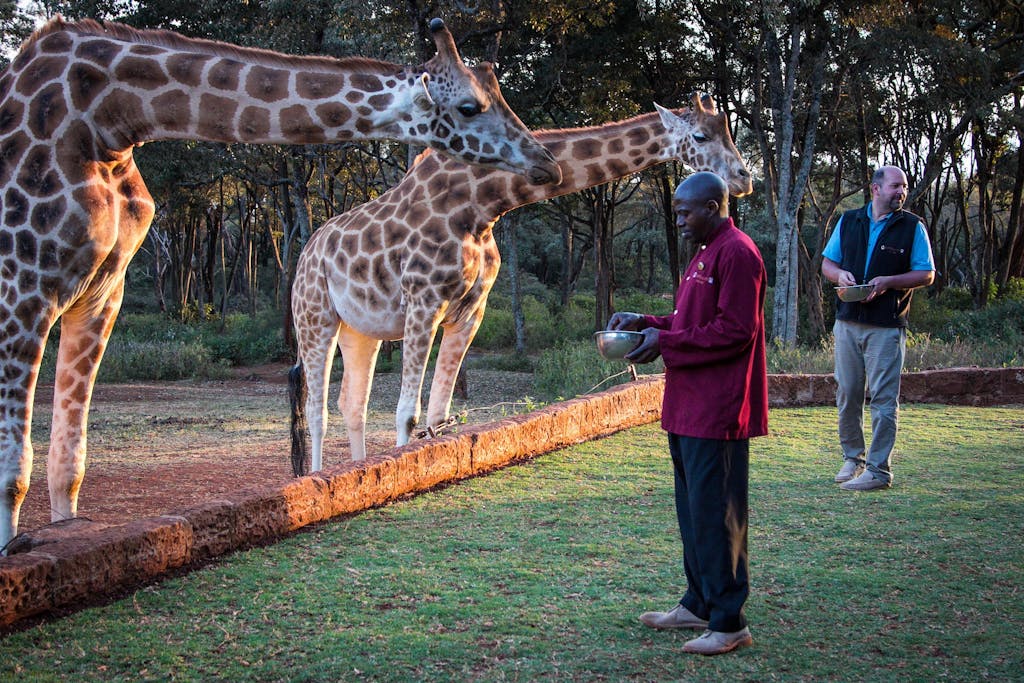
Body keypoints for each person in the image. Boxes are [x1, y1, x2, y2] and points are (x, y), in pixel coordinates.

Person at [608, 171, 767, 656]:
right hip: (686, 407)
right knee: (693, 512)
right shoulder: (703, 253)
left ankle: (729, 621)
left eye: (685, 212)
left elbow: (735, 331)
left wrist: (666, 342)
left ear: (714, 208)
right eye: (676, 211)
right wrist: (647, 323)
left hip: (719, 409)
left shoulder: (738, 253)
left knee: (720, 515)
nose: (677, 220)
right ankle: (699, 603)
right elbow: (688, 320)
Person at [821, 165, 935, 491]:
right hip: (847, 322)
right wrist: (839, 276)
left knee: (884, 400)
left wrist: (889, 283)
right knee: (847, 393)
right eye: (896, 186)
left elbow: (926, 274)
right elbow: (829, 264)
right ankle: (852, 459)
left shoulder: (912, 227)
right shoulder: (849, 220)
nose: (901, 192)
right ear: (875, 189)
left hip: (886, 327)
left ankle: (879, 471)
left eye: (905, 187)